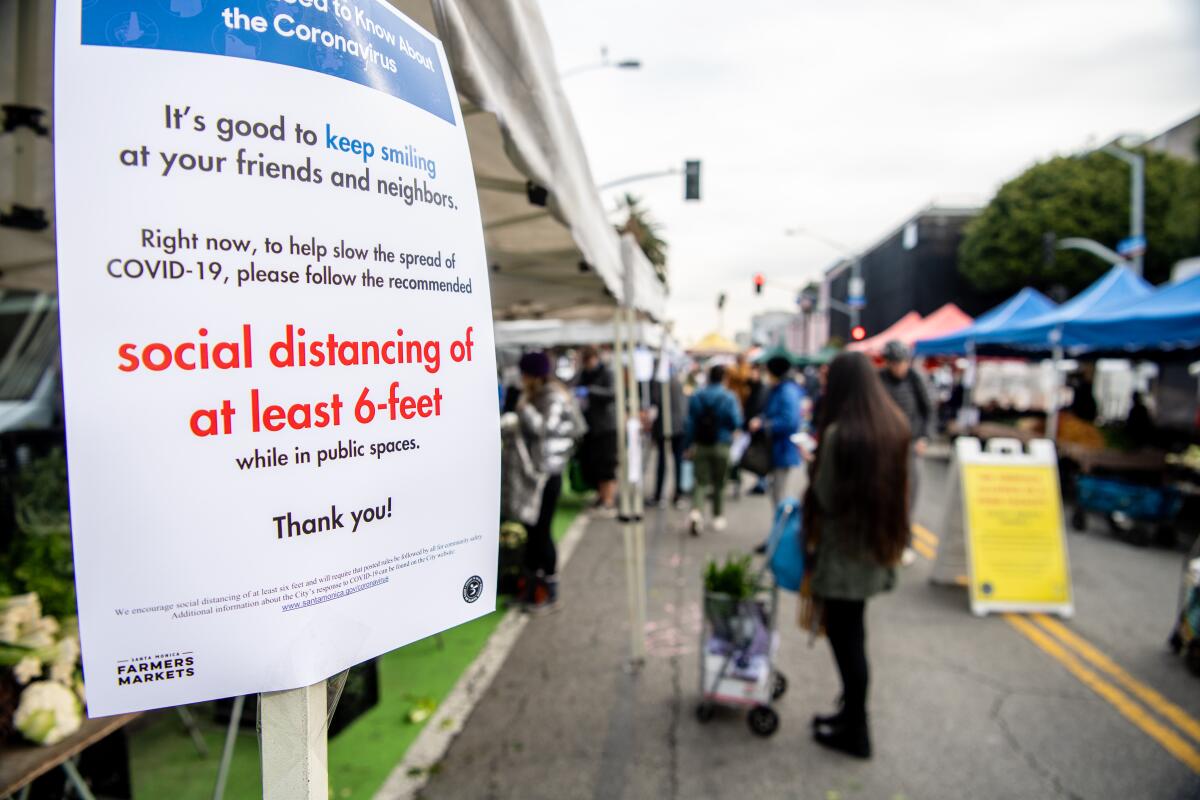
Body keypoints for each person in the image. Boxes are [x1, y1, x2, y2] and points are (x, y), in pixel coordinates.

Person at [804, 351, 911, 759]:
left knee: (847, 642)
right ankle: (849, 715)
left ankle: (857, 730)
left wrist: (813, 468)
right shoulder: (893, 425)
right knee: (855, 635)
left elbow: (826, 496)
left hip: (843, 554)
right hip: (877, 546)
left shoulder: (840, 434)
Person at [507, 351, 586, 612]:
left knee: (542, 531)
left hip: (547, 474)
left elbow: (544, 428)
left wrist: (524, 409)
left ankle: (550, 593)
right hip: (538, 473)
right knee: (533, 530)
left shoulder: (551, 397)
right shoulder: (545, 395)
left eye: (524, 374)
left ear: (533, 375)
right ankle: (532, 589)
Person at [878, 340, 934, 565]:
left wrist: (924, 437)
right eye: (894, 364)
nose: (898, 368)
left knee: (907, 498)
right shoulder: (879, 379)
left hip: (910, 444)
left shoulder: (915, 378)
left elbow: (928, 411)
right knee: (883, 497)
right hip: (885, 446)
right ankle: (883, 541)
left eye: (901, 363)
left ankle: (905, 542)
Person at [683, 364, 743, 535]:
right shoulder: (729, 397)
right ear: (724, 378)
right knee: (720, 482)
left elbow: (690, 424)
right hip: (722, 444)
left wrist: (688, 445)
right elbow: (736, 422)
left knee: (700, 482)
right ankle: (717, 516)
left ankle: (696, 512)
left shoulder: (697, 395)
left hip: (701, 445)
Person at [750, 355, 806, 511]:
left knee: (780, 496)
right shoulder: (779, 389)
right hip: (777, 449)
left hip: (783, 449)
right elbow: (770, 412)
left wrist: (764, 424)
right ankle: (779, 532)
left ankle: (782, 533)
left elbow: (789, 421)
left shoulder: (786, 391)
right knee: (776, 494)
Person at [575, 346, 618, 513]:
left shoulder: (607, 373)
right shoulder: (583, 374)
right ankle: (601, 496)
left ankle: (608, 499)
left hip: (606, 427)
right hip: (590, 427)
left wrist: (590, 391)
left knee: (607, 465)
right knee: (595, 465)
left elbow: (612, 393)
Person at [649, 368, 686, 507]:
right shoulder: (677, 381)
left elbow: (655, 404)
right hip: (679, 426)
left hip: (665, 427)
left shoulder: (658, 383)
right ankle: (677, 493)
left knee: (663, 461)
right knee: (677, 462)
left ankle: (660, 494)